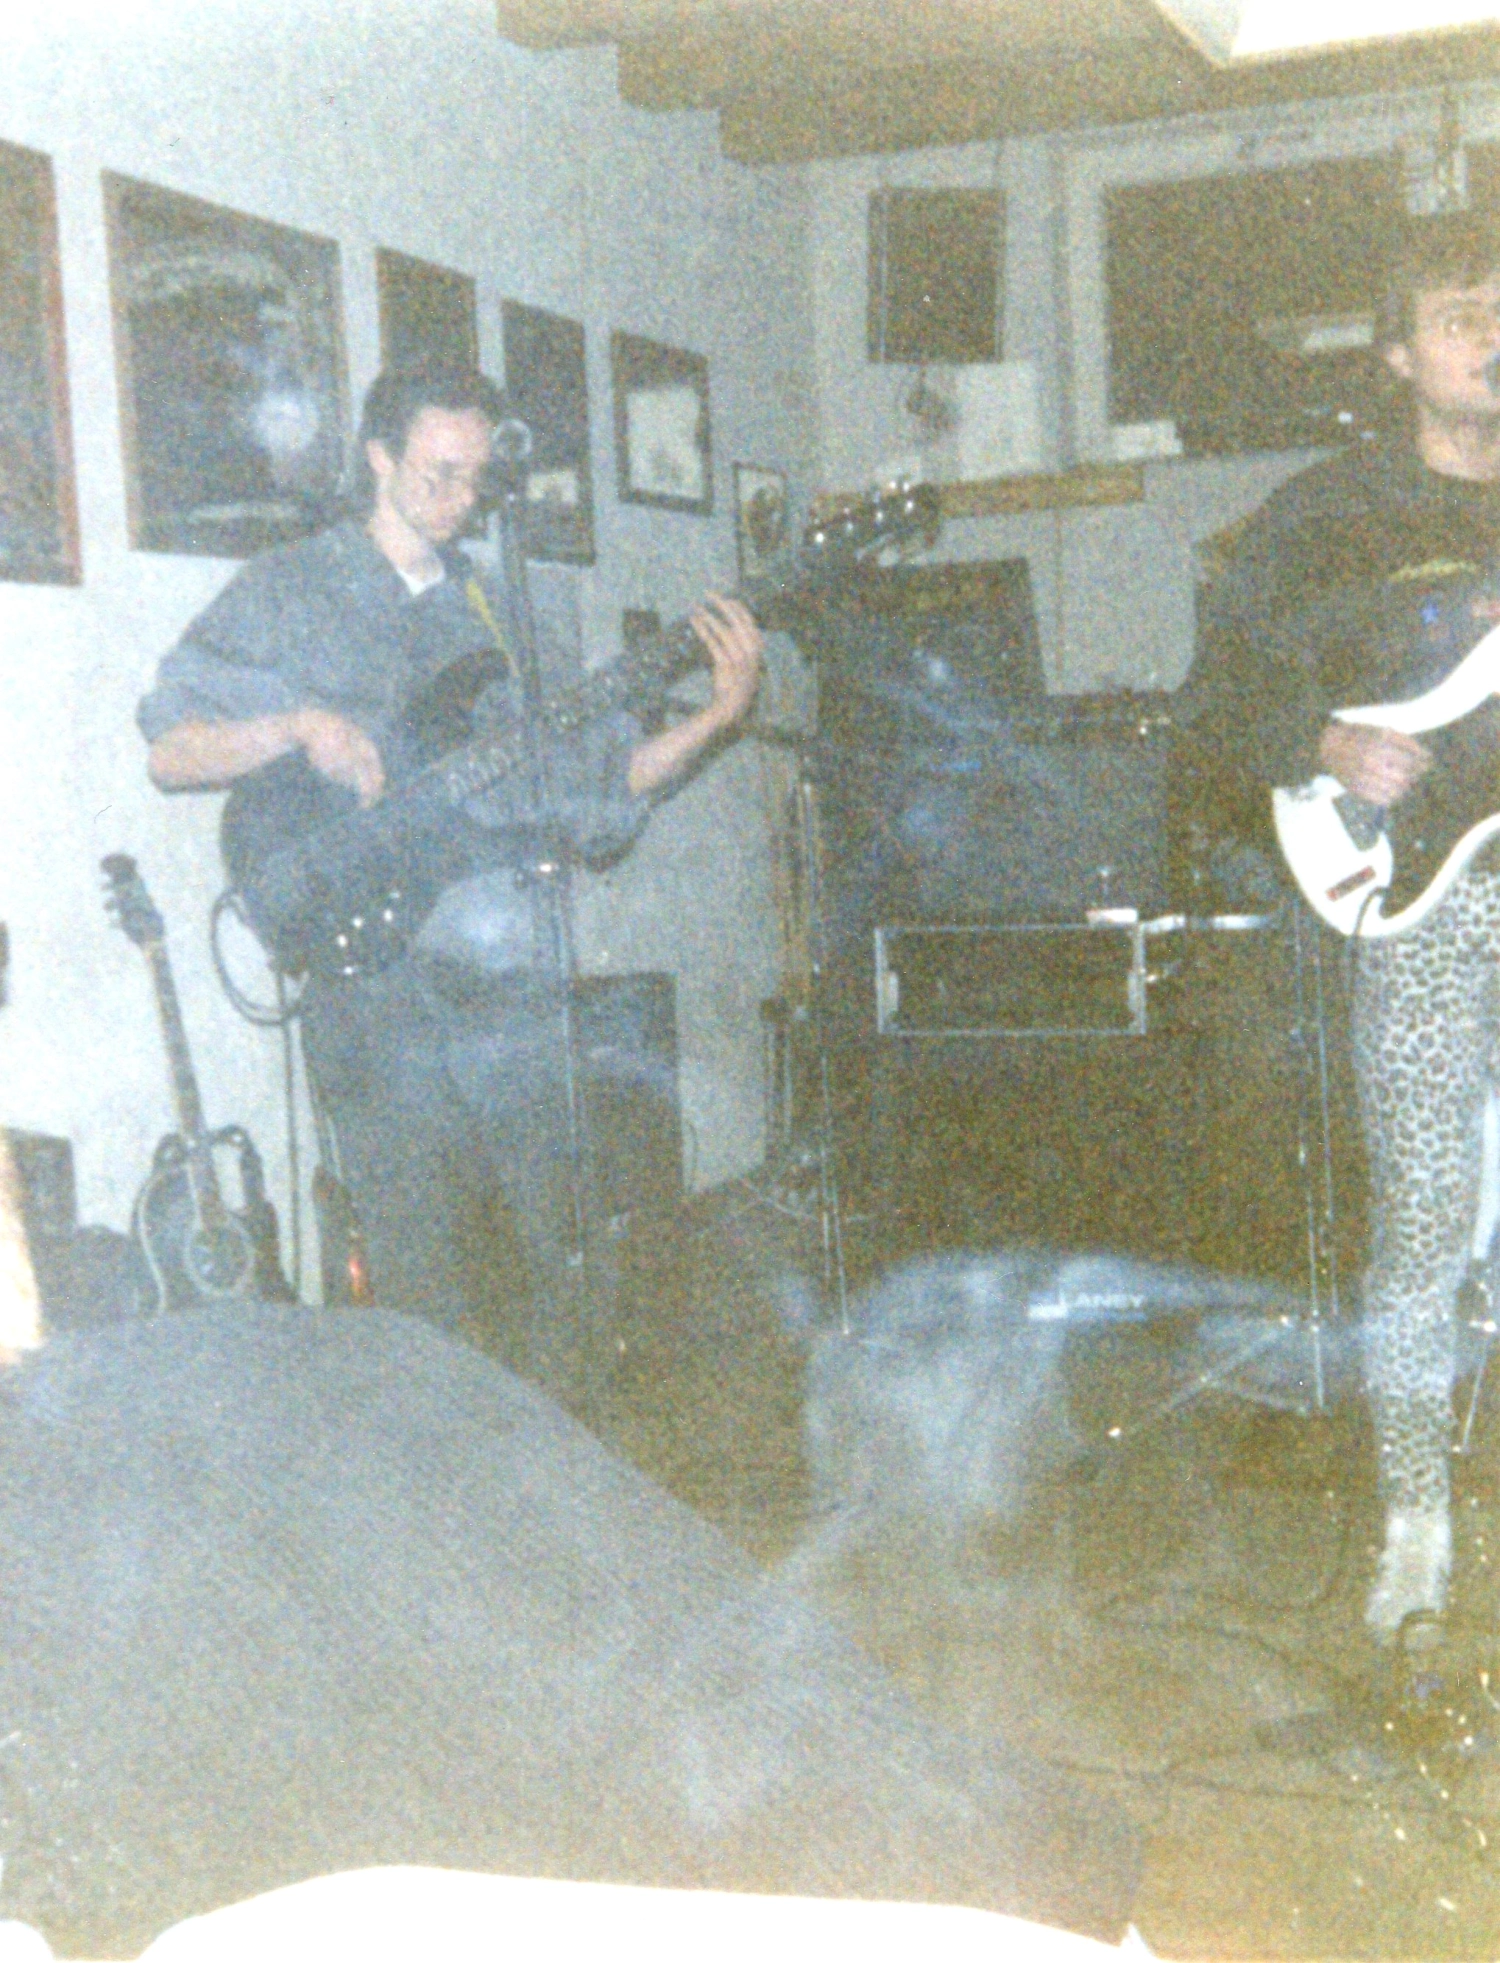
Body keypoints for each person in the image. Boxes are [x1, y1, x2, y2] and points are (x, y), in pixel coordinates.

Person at [138, 358, 762, 1411]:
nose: (461, 499)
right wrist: (296, 725)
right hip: (373, 989)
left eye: (476, 478)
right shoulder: (292, 588)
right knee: (419, 1276)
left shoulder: (503, 607)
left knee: (560, 1260)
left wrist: (715, 716)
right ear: (377, 458)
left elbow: (601, 790)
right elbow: (172, 749)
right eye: (438, 473)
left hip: (509, 983)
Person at [1183, 213, 1500, 1640]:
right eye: (1458, 315)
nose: (1492, 336)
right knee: (1424, 1221)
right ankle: (1416, 1527)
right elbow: (1210, 707)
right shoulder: (1329, 514)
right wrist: (1323, 743)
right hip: (1419, 898)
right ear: (1397, 357)